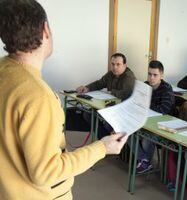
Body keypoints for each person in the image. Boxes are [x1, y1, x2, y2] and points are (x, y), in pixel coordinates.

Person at [0, 1, 128, 199]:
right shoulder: (38, 97)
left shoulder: (4, 70)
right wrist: (103, 147)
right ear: (46, 30)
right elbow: (46, 172)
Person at [136, 60, 175, 173]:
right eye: (149, 74)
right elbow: (137, 103)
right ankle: (144, 160)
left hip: (162, 125)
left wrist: (146, 104)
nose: (151, 78)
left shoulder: (167, 89)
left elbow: (163, 110)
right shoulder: (145, 85)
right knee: (127, 131)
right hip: (146, 120)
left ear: (161, 75)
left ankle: (144, 161)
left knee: (146, 139)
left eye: (155, 75)